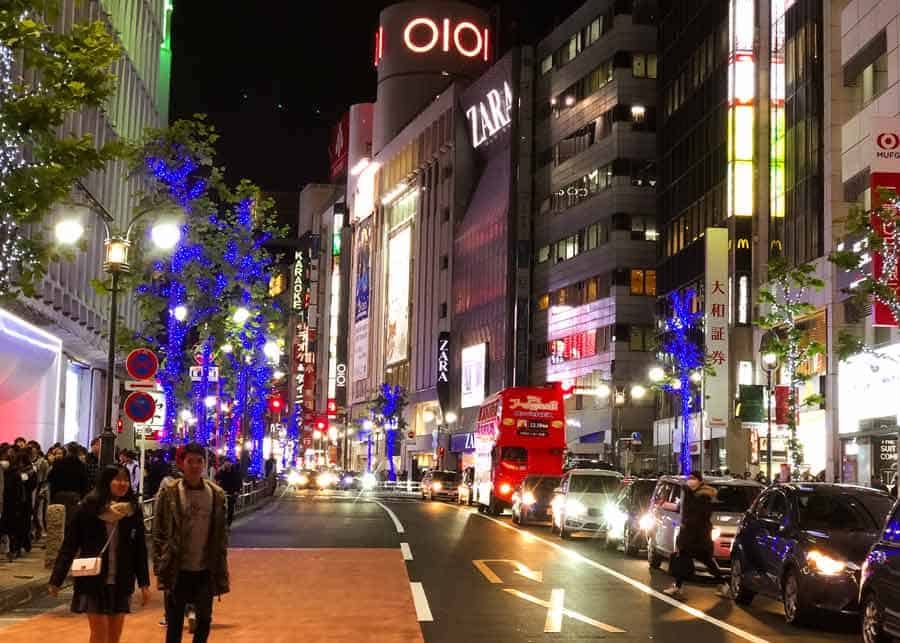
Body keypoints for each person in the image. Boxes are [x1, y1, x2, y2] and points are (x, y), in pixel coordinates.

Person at [49, 465, 151, 643]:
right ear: (106, 482)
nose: (123, 483)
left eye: (126, 480)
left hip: (121, 580)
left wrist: (144, 583)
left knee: (114, 636)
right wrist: (57, 578)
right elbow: (70, 545)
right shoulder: (88, 509)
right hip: (93, 580)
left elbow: (139, 549)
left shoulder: (132, 511)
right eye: (118, 479)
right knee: (99, 634)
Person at [153, 442, 229, 643]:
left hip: (205, 568)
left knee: (204, 620)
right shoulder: (170, 493)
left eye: (199, 461)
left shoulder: (216, 494)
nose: (195, 466)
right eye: (190, 461)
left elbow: (220, 534)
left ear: (204, 464)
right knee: (175, 622)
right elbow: (158, 531)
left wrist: (220, 564)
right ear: (182, 464)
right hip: (177, 567)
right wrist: (160, 564)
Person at [660, 472, 730, 599]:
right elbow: (684, 511)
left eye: (693, 479)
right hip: (690, 534)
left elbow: (699, 516)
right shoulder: (690, 494)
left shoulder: (703, 496)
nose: (690, 481)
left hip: (698, 536)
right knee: (686, 558)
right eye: (689, 478)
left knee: (704, 560)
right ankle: (678, 586)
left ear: (699, 481)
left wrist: (688, 525)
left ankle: (722, 583)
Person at [48, 442, 90, 524]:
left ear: (67, 451)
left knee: (58, 522)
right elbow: (85, 483)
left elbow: (50, 478)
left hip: (58, 495)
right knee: (72, 522)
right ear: (78, 452)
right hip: (74, 497)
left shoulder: (58, 463)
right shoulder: (81, 465)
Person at [214, 458, 241, 528]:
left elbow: (238, 482)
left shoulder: (235, 472)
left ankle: (229, 524)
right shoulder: (222, 471)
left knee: (230, 509)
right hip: (223, 492)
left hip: (231, 493)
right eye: (226, 462)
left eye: (229, 462)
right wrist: (220, 471)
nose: (227, 464)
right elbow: (216, 478)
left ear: (231, 463)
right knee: (221, 509)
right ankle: (221, 524)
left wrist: (236, 491)